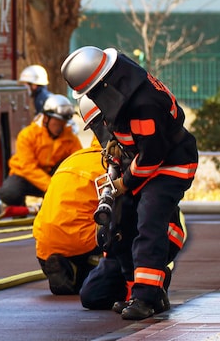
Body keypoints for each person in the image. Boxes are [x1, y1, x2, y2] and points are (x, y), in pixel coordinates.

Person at [61, 45, 198, 320]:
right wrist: (116, 147)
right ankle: (146, 293)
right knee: (125, 221)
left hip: (171, 165)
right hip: (153, 160)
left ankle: (145, 298)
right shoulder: (122, 89)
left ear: (103, 84)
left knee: (149, 220)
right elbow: (131, 136)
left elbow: (151, 157)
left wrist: (124, 183)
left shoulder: (143, 105)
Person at [76, 96, 186, 315]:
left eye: (101, 123)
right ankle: (144, 291)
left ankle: (148, 291)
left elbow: (140, 212)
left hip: (157, 237)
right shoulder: (113, 152)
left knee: (134, 232)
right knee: (92, 295)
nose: (102, 131)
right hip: (124, 243)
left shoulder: (144, 148)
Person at [32, 96, 106, 295]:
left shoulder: (73, 157)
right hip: (79, 243)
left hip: (43, 245)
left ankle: (64, 268)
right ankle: (81, 273)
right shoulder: (110, 166)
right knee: (118, 227)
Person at [0, 94, 82, 218]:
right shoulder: (27, 135)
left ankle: (50, 206)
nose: (60, 126)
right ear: (46, 119)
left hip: (51, 178)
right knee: (9, 192)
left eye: (63, 122)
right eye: (57, 122)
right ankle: (20, 208)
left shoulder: (71, 139)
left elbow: (78, 165)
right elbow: (28, 167)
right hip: (27, 177)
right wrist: (51, 186)